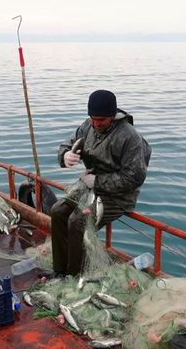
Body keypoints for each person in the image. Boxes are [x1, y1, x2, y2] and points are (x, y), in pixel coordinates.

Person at [50, 89, 151, 276]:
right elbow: (68, 142)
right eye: (92, 118)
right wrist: (65, 155)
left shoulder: (130, 137)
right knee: (57, 212)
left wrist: (98, 181)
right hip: (89, 186)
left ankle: (75, 276)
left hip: (118, 196)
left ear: (112, 116)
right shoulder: (88, 125)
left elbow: (134, 178)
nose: (95, 124)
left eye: (101, 120)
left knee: (77, 221)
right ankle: (59, 270)